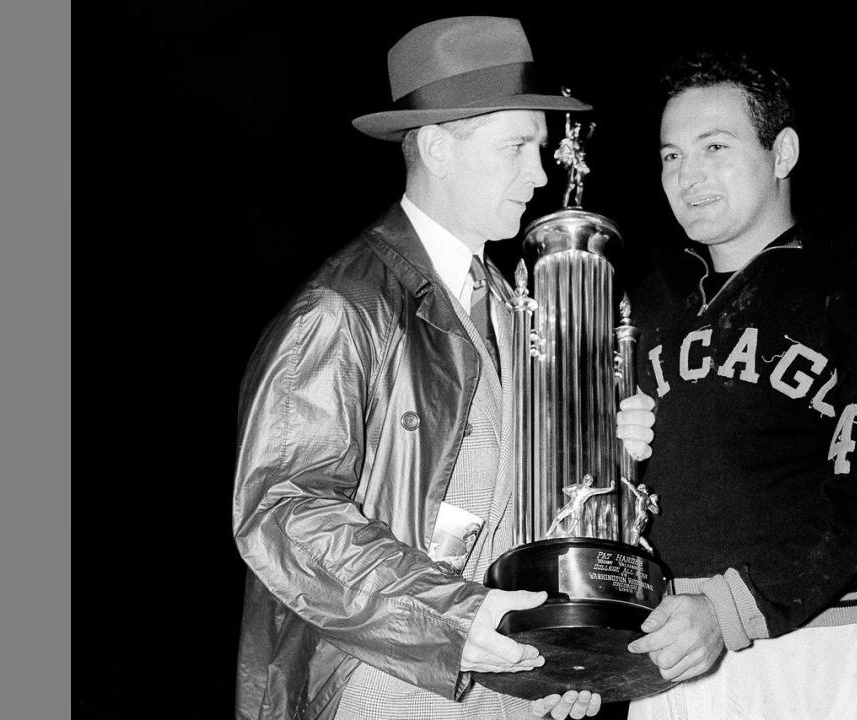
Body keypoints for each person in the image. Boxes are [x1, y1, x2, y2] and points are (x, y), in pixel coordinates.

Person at [232, 16, 643, 720]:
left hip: (498, 683)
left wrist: (552, 648)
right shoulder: (344, 306)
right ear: (435, 148)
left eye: (540, 150)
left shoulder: (517, 310)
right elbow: (282, 507)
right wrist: (456, 618)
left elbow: (518, 501)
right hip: (383, 680)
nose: (538, 174)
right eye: (515, 146)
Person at [623, 50, 857, 719]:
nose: (689, 175)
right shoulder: (646, 307)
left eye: (715, 146)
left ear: (783, 151)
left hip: (820, 645)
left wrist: (731, 608)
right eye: (671, 156)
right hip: (670, 651)